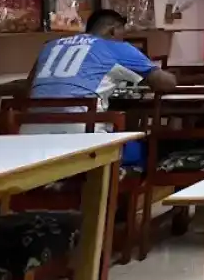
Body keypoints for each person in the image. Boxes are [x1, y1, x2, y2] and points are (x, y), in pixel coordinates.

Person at [26, 9, 176, 166]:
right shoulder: (116, 47)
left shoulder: (50, 46)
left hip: (30, 137)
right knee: (151, 149)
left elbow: (28, 88)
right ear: (113, 30)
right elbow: (166, 83)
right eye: (122, 34)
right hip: (83, 141)